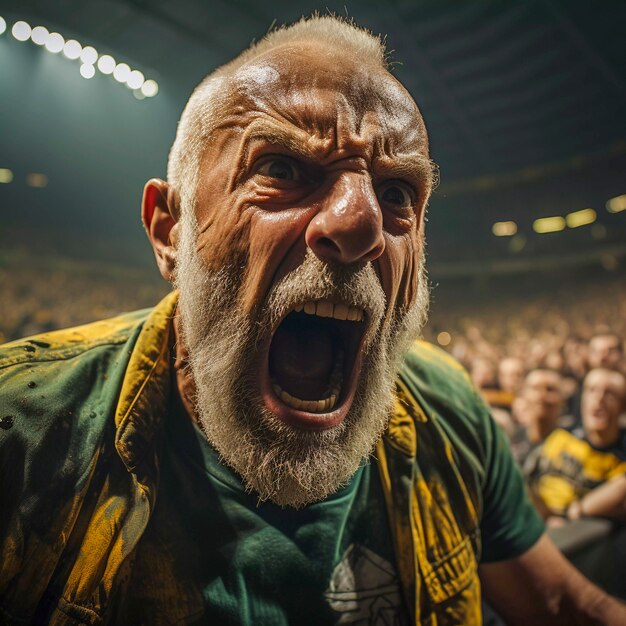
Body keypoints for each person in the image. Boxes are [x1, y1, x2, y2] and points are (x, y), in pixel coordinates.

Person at [1, 15, 625, 626]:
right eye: (281, 168)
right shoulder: (22, 434)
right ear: (170, 230)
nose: (360, 224)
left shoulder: (449, 409)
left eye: (398, 193)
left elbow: (558, 605)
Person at [527, 368, 626, 523]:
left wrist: (575, 511)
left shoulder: (621, 459)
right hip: (532, 518)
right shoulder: (561, 435)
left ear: (622, 406)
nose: (599, 398)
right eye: (592, 390)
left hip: (580, 535)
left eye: (610, 394)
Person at [510, 368, 565, 465]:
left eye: (550, 389)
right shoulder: (511, 442)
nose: (542, 395)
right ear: (523, 395)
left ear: (562, 399)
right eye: (536, 388)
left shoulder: (574, 446)